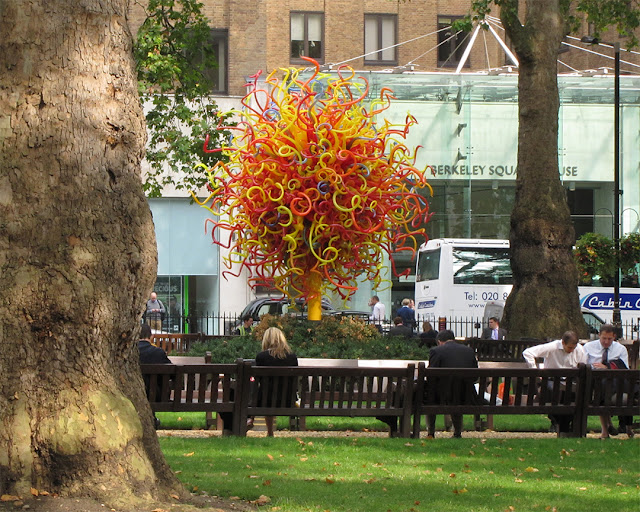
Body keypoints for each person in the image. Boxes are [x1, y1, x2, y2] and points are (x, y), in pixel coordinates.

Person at [522, 331, 586, 435]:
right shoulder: (552, 347)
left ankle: (563, 424)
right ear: (563, 343)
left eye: (573, 348)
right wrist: (535, 371)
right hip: (551, 380)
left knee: (573, 394)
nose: (572, 351)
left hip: (569, 381)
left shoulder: (579, 349)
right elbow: (528, 352)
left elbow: (582, 364)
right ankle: (558, 422)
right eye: (570, 348)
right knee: (555, 392)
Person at [426, 329, 479, 438]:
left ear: (439, 341)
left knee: (430, 394)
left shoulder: (436, 351)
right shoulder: (469, 351)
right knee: (456, 392)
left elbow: (431, 376)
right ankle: (457, 432)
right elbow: (475, 376)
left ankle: (431, 432)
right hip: (466, 396)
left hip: (442, 397)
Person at [584, 324, 631, 438]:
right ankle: (607, 427)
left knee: (605, 390)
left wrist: (607, 367)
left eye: (609, 339)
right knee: (601, 388)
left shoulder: (620, 349)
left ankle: (608, 428)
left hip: (615, 384)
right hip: (595, 384)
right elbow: (583, 366)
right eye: (604, 338)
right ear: (599, 335)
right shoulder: (588, 347)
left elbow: (625, 370)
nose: (606, 341)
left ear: (614, 337)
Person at [255, 327, 298, 437]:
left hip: (266, 401)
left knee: (266, 392)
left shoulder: (261, 357)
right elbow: (294, 379)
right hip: (288, 399)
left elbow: (258, 379)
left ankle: (270, 432)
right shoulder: (292, 357)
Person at [137, 323, 171, 429]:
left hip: (135, 392)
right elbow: (172, 373)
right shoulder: (158, 352)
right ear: (151, 336)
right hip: (157, 396)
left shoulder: (130, 352)